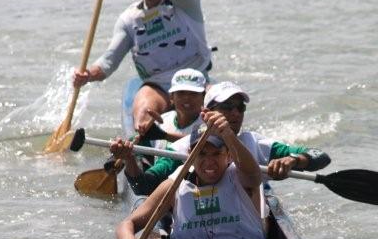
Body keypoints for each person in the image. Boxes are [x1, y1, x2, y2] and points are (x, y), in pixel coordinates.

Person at [73, 0, 212, 135]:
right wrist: (87, 75)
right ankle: (146, 154)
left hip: (197, 81)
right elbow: (108, 62)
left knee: (221, 110)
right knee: (144, 117)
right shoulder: (129, 19)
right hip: (159, 87)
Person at [110, 81, 332, 195]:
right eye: (227, 107)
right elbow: (144, 187)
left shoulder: (256, 143)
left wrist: (294, 160)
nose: (235, 113)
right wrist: (129, 159)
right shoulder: (183, 149)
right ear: (206, 113)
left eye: (240, 107)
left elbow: (320, 157)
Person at [115, 111, 266, 239]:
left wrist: (228, 134)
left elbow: (254, 174)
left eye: (216, 153)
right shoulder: (175, 185)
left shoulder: (241, 176)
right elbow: (127, 223)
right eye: (201, 153)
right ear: (190, 155)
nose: (209, 162)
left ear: (228, 155)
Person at [109, 68, 206, 177]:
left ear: (203, 97)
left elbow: (199, 142)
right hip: (160, 175)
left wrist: (164, 135)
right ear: (171, 97)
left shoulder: (207, 123)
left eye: (193, 94)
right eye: (181, 93)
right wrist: (124, 148)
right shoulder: (164, 119)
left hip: (189, 178)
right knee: (139, 139)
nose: (187, 98)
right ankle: (116, 163)